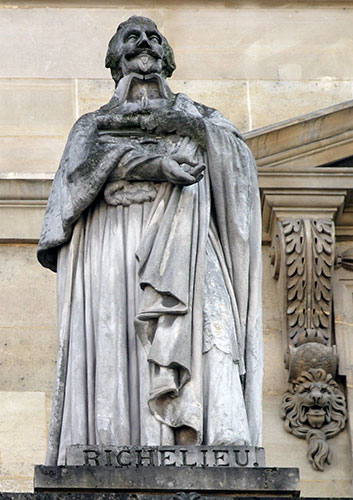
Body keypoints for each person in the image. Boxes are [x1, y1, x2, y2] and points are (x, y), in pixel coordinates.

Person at [38, 16, 263, 466]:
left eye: (154, 38)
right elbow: (74, 181)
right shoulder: (92, 124)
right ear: (115, 60)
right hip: (113, 240)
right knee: (116, 331)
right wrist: (153, 164)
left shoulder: (201, 117)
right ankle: (111, 444)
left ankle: (209, 435)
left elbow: (240, 172)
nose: (145, 44)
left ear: (167, 57)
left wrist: (189, 129)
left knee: (211, 321)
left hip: (190, 240)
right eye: (132, 38)